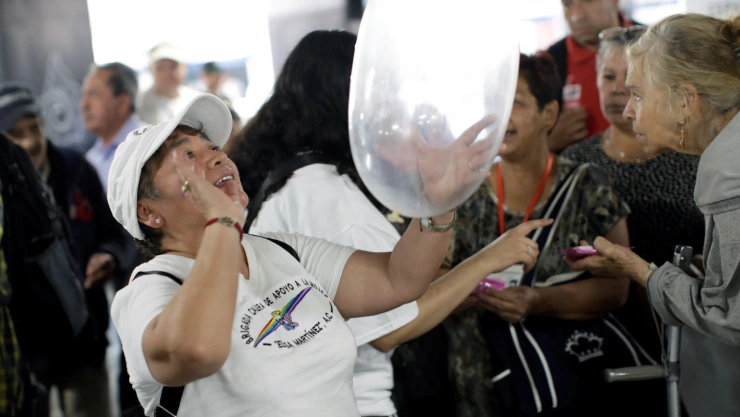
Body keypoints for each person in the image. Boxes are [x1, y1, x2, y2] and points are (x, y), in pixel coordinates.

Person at [108, 92, 500, 416]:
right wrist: (223, 227)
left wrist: (438, 203)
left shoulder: (280, 250)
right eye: (187, 159)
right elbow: (196, 351)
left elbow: (397, 280)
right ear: (148, 212)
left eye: (212, 147)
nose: (216, 157)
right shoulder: (148, 292)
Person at [234, 30, 551, 417]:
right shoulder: (322, 193)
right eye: (379, 91)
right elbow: (392, 326)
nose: (388, 108)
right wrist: (487, 260)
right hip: (354, 401)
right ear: (346, 100)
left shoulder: (292, 177)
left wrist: (455, 277)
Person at [398, 53, 646, 417]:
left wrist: (536, 300)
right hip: (479, 383)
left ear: (549, 114)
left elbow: (616, 287)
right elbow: (422, 276)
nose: (500, 116)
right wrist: (475, 289)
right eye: (492, 103)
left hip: (566, 380)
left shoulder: (587, 186)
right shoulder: (461, 193)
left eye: (514, 103)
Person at [567, 13, 740, 417]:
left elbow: (729, 319)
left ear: (684, 100)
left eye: (639, 94)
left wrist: (640, 271)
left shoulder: (727, 171)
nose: (628, 110)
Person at [0, 82, 127, 417]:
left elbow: (114, 232)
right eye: (15, 133)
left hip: (83, 340)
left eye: (34, 128)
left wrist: (108, 256)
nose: (30, 141)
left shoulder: (75, 168)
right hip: (27, 348)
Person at [547, 0, 639, 152]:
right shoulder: (551, 62)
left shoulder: (656, 46)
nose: (577, 16)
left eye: (588, 1)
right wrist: (549, 142)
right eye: (567, 4)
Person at [81, 62, 144, 194]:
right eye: (84, 95)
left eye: (93, 94)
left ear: (122, 102)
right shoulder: (90, 159)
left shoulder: (149, 145)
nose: (84, 105)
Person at [136, 42, 199, 124]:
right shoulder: (138, 103)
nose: (167, 73)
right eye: (160, 67)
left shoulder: (196, 101)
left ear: (184, 68)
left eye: (173, 66)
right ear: (151, 69)